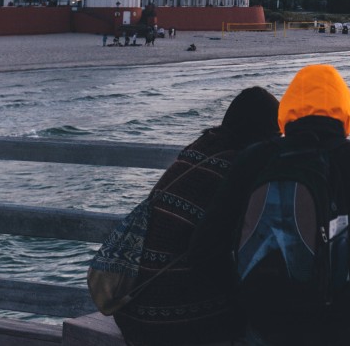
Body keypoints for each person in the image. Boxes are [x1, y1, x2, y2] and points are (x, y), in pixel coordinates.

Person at [197, 65, 350, 346]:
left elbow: (204, 248)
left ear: (287, 109)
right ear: (345, 110)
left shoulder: (255, 159)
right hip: (339, 323)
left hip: (265, 322)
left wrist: (247, 294)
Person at [115, 87, 281, 346]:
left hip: (131, 312)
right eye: (275, 134)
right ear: (262, 133)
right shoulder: (238, 167)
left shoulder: (197, 151)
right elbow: (210, 255)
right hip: (174, 322)